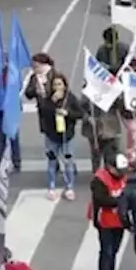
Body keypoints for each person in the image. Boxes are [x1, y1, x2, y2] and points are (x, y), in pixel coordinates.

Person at [37, 73, 83, 201]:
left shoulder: (70, 98)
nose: (57, 87)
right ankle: (51, 187)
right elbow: (43, 111)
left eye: (60, 84)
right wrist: (52, 103)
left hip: (67, 136)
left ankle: (70, 187)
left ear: (64, 85)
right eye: (55, 84)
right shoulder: (48, 99)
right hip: (52, 135)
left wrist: (67, 113)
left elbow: (80, 113)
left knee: (68, 161)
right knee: (51, 162)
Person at [89, 153, 128, 270]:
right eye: (118, 171)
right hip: (104, 221)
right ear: (110, 167)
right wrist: (121, 201)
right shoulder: (99, 180)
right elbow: (102, 200)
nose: (121, 174)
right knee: (107, 252)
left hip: (119, 221)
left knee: (114, 251)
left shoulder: (123, 176)